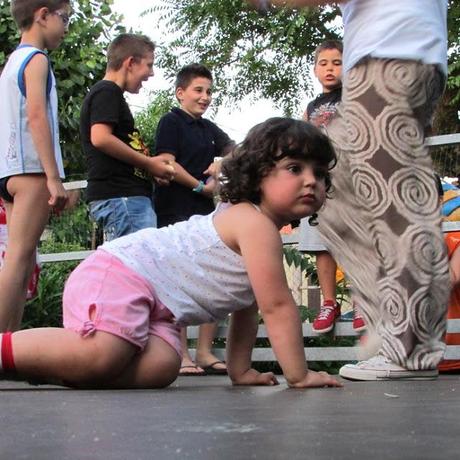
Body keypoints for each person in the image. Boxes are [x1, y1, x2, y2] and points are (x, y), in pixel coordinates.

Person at [0, 117, 342, 390]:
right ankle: (9, 352)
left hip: (158, 310)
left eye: (320, 174)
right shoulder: (252, 223)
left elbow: (247, 311)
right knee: (105, 353)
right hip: (121, 273)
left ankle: (57, 368)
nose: (311, 181)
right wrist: (298, 375)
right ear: (257, 174)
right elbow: (278, 306)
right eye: (295, 168)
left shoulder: (257, 228)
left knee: (162, 366)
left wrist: (241, 371)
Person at [250, 0, 449, 380]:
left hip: (388, 58)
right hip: (407, 57)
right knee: (339, 192)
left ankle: (408, 346)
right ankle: (399, 330)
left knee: (376, 200)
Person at [155, 63, 235, 376]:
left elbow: (234, 148)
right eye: (198, 90)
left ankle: (204, 352)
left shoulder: (207, 128)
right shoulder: (171, 122)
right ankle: (181, 354)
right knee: (179, 279)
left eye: (208, 91)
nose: (205, 97)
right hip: (175, 208)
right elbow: (167, 163)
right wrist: (202, 186)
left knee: (209, 275)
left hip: (204, 213)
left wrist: (222, 165)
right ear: (180, 93)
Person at [0, 0, 70, 332]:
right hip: (30, 170)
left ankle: (8, 346)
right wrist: (53, 177)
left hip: (8, 172)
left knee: (22, 260)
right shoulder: (37, 60)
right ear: (43, 15)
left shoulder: (12, 62)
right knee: (17, 260)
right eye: (64, 18)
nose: (66, 27)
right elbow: (37, 116)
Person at [80, 33, 176, 242]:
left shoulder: (112, 95)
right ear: (130, 63)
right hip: (121, 198)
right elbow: (101, 138)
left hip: (126, 198)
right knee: (137, 268)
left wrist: (150, 169)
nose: (151, 73)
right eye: (149, 65)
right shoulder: (107, 92)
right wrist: (149, 163)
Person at [298, 39, 366, 334]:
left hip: (348, 180)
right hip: (318, 181)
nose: (330, 69)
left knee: (352, 241)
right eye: (323, 63)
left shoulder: (354, 98)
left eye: (337, 63)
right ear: (314, 69)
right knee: (320, 244)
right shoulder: (311, 107)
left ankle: (363, 301)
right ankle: (329, 301)